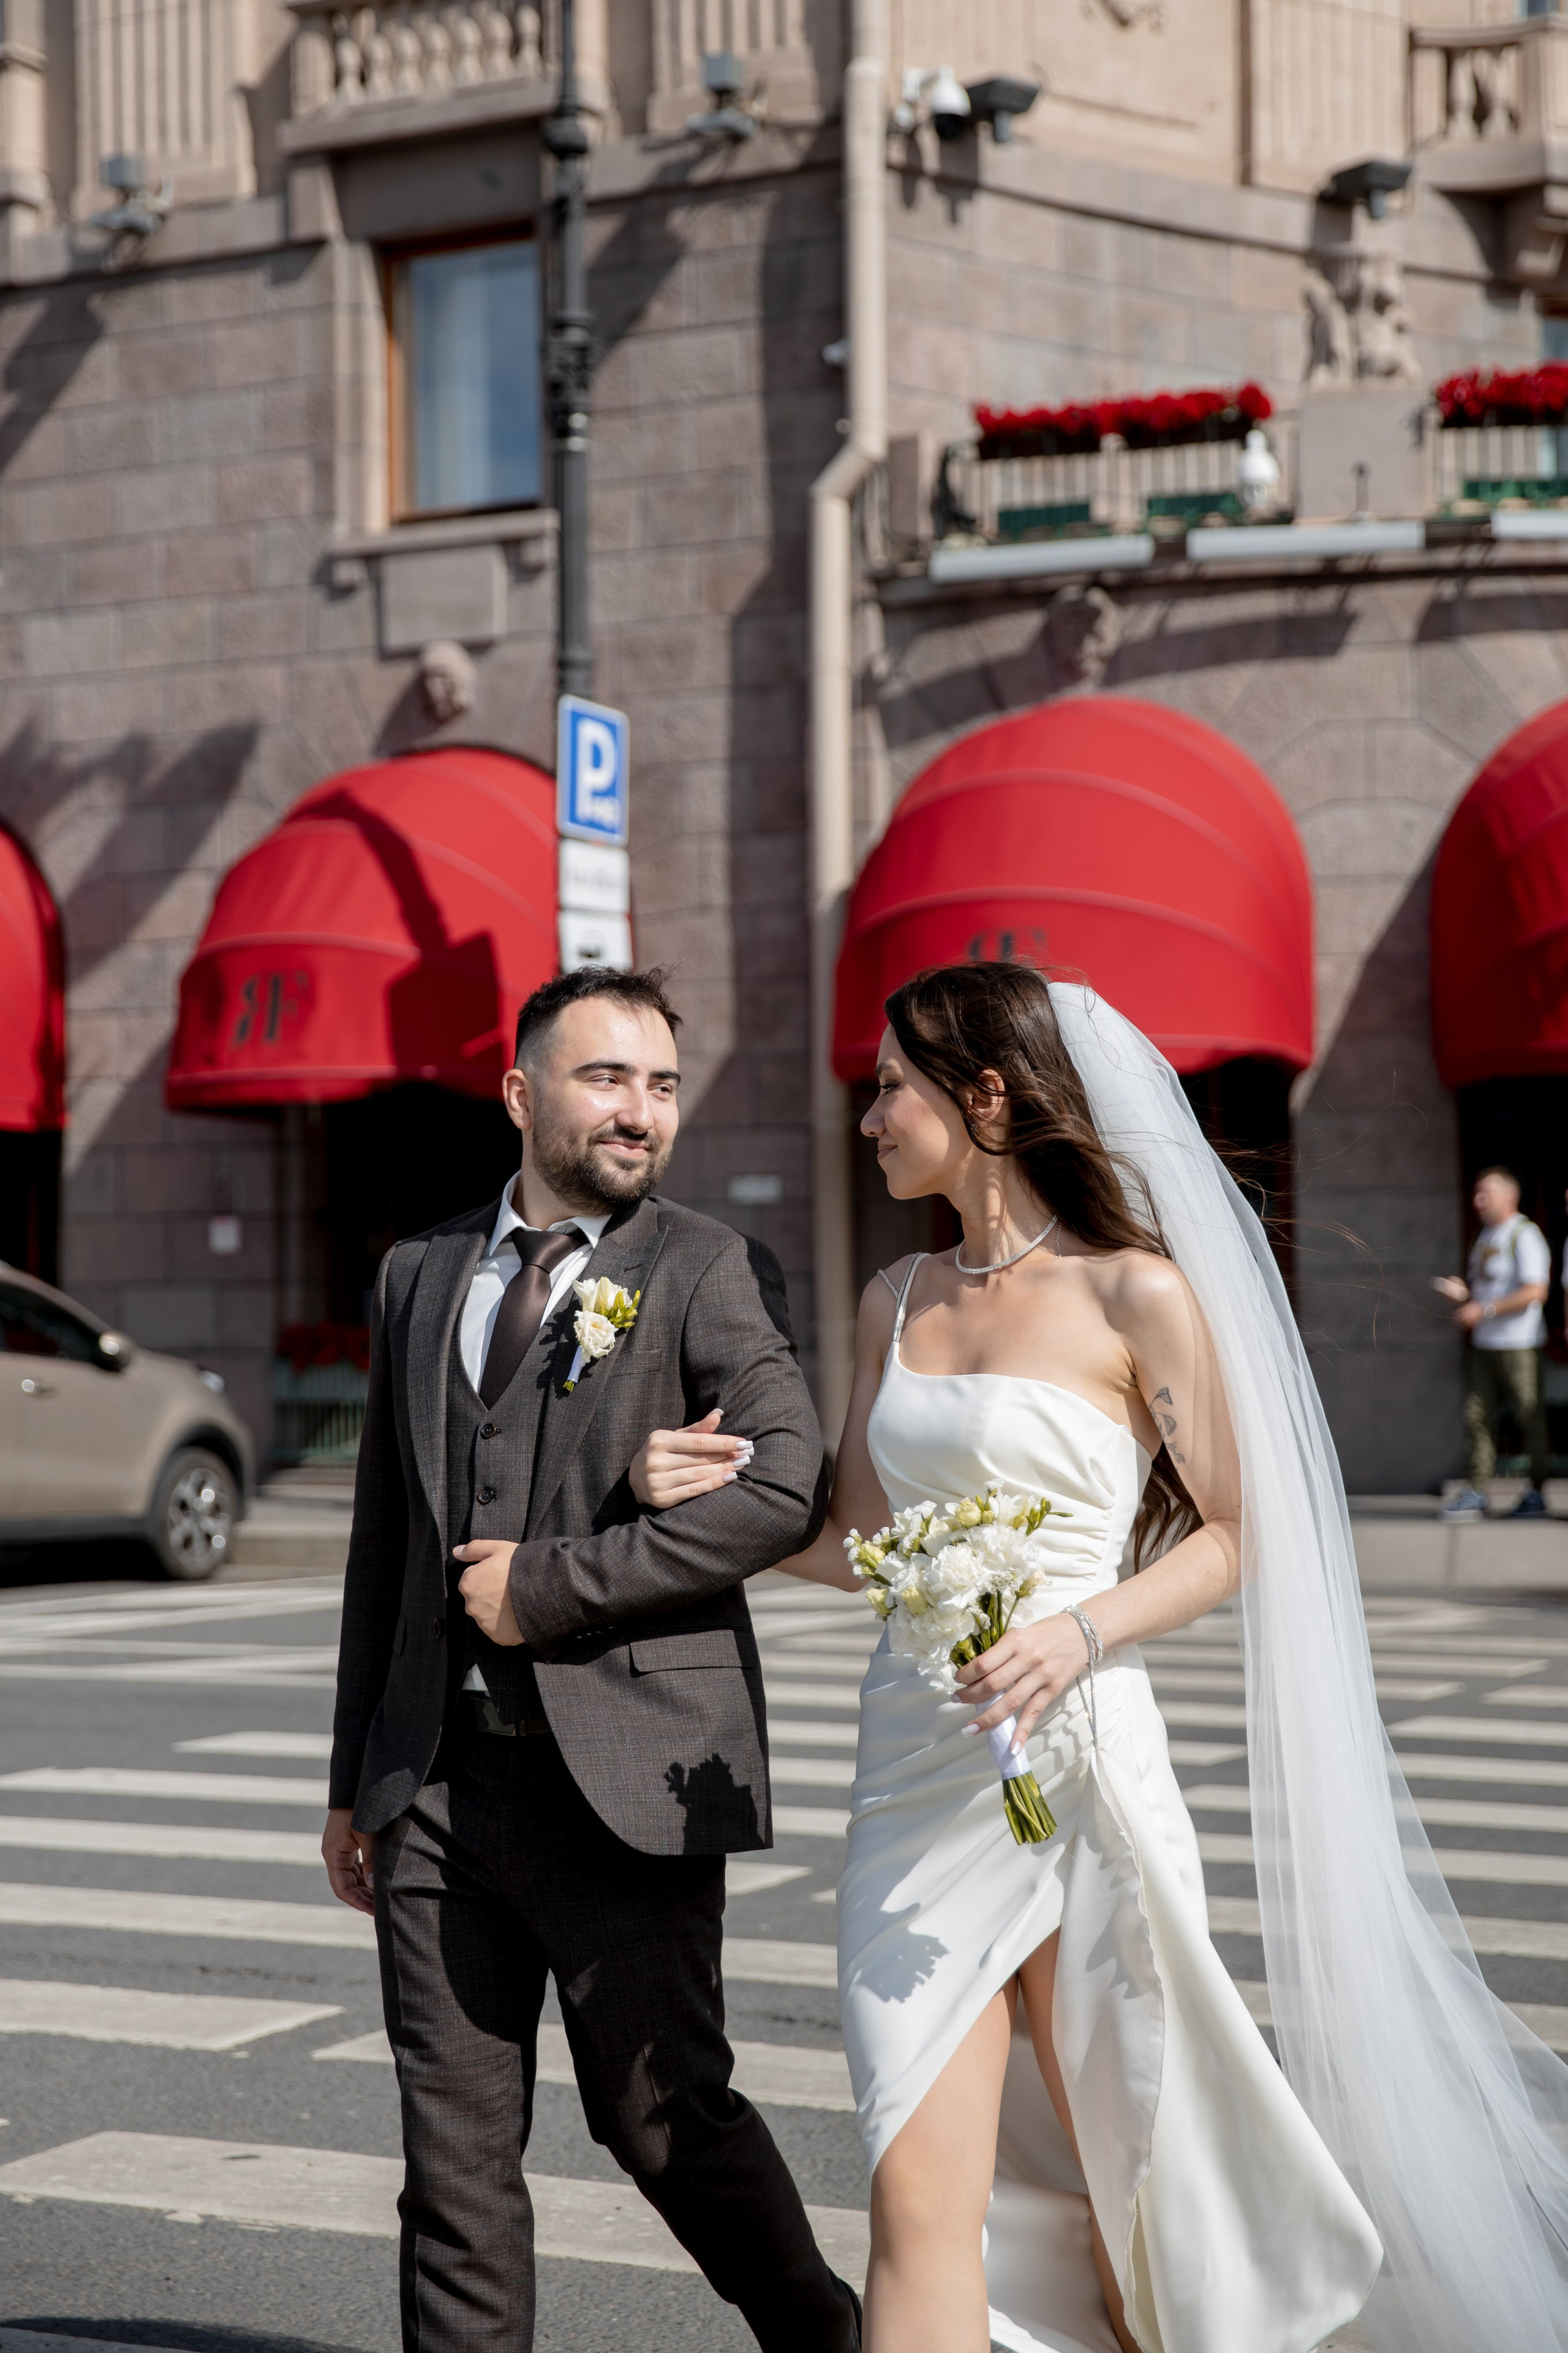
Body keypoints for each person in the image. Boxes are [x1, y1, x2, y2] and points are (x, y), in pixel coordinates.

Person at [636, 963, 1568, 2353]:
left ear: (988, 1097)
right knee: (912, 2190)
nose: (868, 1113)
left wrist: (1077, 1628)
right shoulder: (891, 1296)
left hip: (1080, 1780)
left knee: (1138, 2201)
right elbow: (855, 1540)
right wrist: (716, 1507)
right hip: (911, 1778)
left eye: (892, 1083)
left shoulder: (1139, 1294)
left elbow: (1237, 1534)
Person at [320, 964, 861, 2353]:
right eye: (607, 1076)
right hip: (433, 1785)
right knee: (451, 2171)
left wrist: (551, 1583)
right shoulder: (414, 1271)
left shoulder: (702, 1267)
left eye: (662, 1083)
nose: (641, 1110)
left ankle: (825, 2334)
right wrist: (352, 1780)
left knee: (664, 2120)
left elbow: (783, 1485)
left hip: (626, 1778)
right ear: (519, 1092)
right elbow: (384, 1541)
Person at [1433, 1166, 1552, 1521]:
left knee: (1529, 1416)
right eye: (1476, 1193)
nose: (1478, 1200)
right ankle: (1476, 1490)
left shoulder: (1524, 1234)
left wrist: (1482, 1309)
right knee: (1477, 1417)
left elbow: (1535, 1291)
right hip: (1485, 1344)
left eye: (1486, 1193)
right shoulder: (1484, 1236)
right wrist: (1466, 1297)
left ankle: (1537, 1490)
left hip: (1520, 1343)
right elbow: (1488, 1290)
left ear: (1509, 1196)